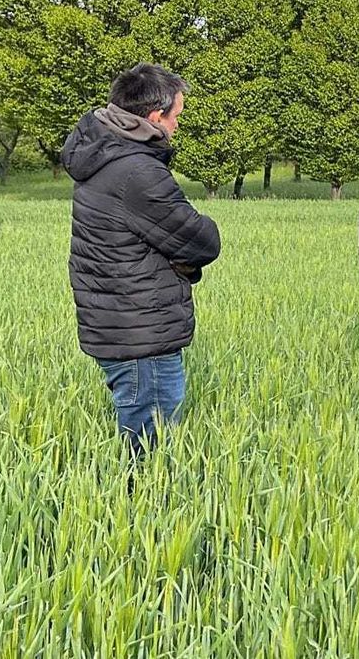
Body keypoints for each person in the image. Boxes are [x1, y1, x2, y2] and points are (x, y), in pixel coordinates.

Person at [62, 63, 222, 455]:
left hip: (122, 324)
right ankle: (140, 512)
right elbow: (201, 240)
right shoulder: (137, 171)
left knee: (143, 430)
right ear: (155, 117)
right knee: (150, 448)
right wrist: (185, 253)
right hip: (140, 332)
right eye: (177, 117)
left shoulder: (105, 156)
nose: (177, 126)